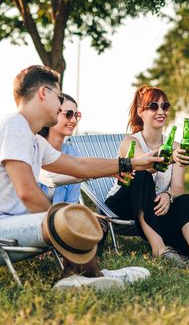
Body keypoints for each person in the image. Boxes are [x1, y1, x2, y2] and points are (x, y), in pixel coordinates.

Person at [0, 65, 164, 289]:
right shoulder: (14, 124)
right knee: (76, 216)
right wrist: (63, 222)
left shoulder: (35, 140)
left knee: (79, 216)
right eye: (59, 98)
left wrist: (133, 162)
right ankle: (88, 277)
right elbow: (27, 192)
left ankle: (80, 277)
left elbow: (79, 165)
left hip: (16, 226)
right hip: (4, 229)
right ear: (43, 93)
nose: (60, 106)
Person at [105, 86, 189, 273]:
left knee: (188, 200)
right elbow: (146, 165)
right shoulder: (131, 142)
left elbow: (178, 186)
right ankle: (159, 249)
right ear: (141, 112)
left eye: (164, 106)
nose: (160, 111)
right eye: (153, 106)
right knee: (142, 174)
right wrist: (171, 156)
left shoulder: (177, 145)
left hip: (155, 209)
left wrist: (168, 195)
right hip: (122, 206)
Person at [38, 93, 82, 204]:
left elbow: (71, 202)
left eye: (76, 115)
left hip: (61, 217)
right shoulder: (35, 148)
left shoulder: (73, 153)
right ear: (53, 113)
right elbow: (50, 179)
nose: (74, 120)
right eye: (68, 114)